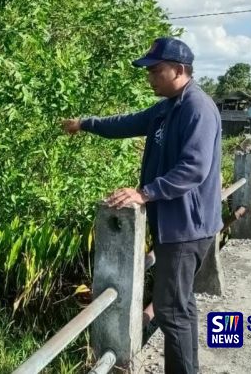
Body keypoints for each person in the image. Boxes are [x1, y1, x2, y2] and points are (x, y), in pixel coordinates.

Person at [61, 37, 222, 374]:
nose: (149, 77)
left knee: (170, 311)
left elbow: (193, 169)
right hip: (174, 225)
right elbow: (127, 123)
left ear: (178, 70)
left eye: (155, 70)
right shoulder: (167, 107)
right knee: (180, 306)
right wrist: (86, 124)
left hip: (185, 228)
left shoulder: (197, 108)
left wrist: (145, 193)